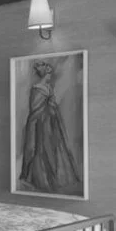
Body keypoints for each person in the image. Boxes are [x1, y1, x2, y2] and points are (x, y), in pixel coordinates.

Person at [19, 60, 80, 193]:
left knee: (53, 149)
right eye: (49, 74)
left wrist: (52, 109)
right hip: (40, 124)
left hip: (51, 123)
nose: (50, 76)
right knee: (41, 150)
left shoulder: (49, 88)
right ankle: (40, 179)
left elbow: (51, 104)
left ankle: (53, 179)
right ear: (45, 75)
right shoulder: (36, 89)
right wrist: (47, 111)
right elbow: (35, 109)